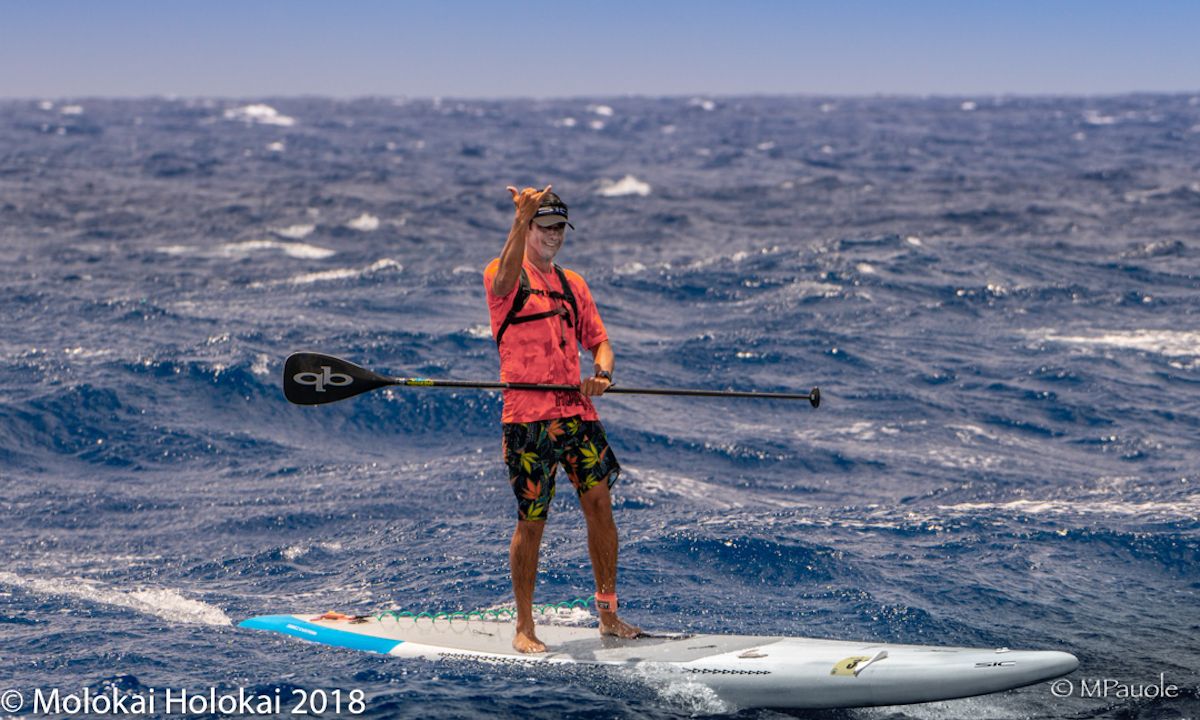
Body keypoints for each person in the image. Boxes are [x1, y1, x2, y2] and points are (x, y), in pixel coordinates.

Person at [483, 184, 640, 653]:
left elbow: (601, 343)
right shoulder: (505, 275)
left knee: (600, 506)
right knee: (532, 521)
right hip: (528, 418)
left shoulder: (574, 285)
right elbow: (502, 281)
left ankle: (609, 615)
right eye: (545, 227)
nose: (554, 236)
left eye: (559, 229)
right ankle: (525, 627)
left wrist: (603, 374)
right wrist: (518, 218)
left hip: (575, 413)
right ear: (529, 229)